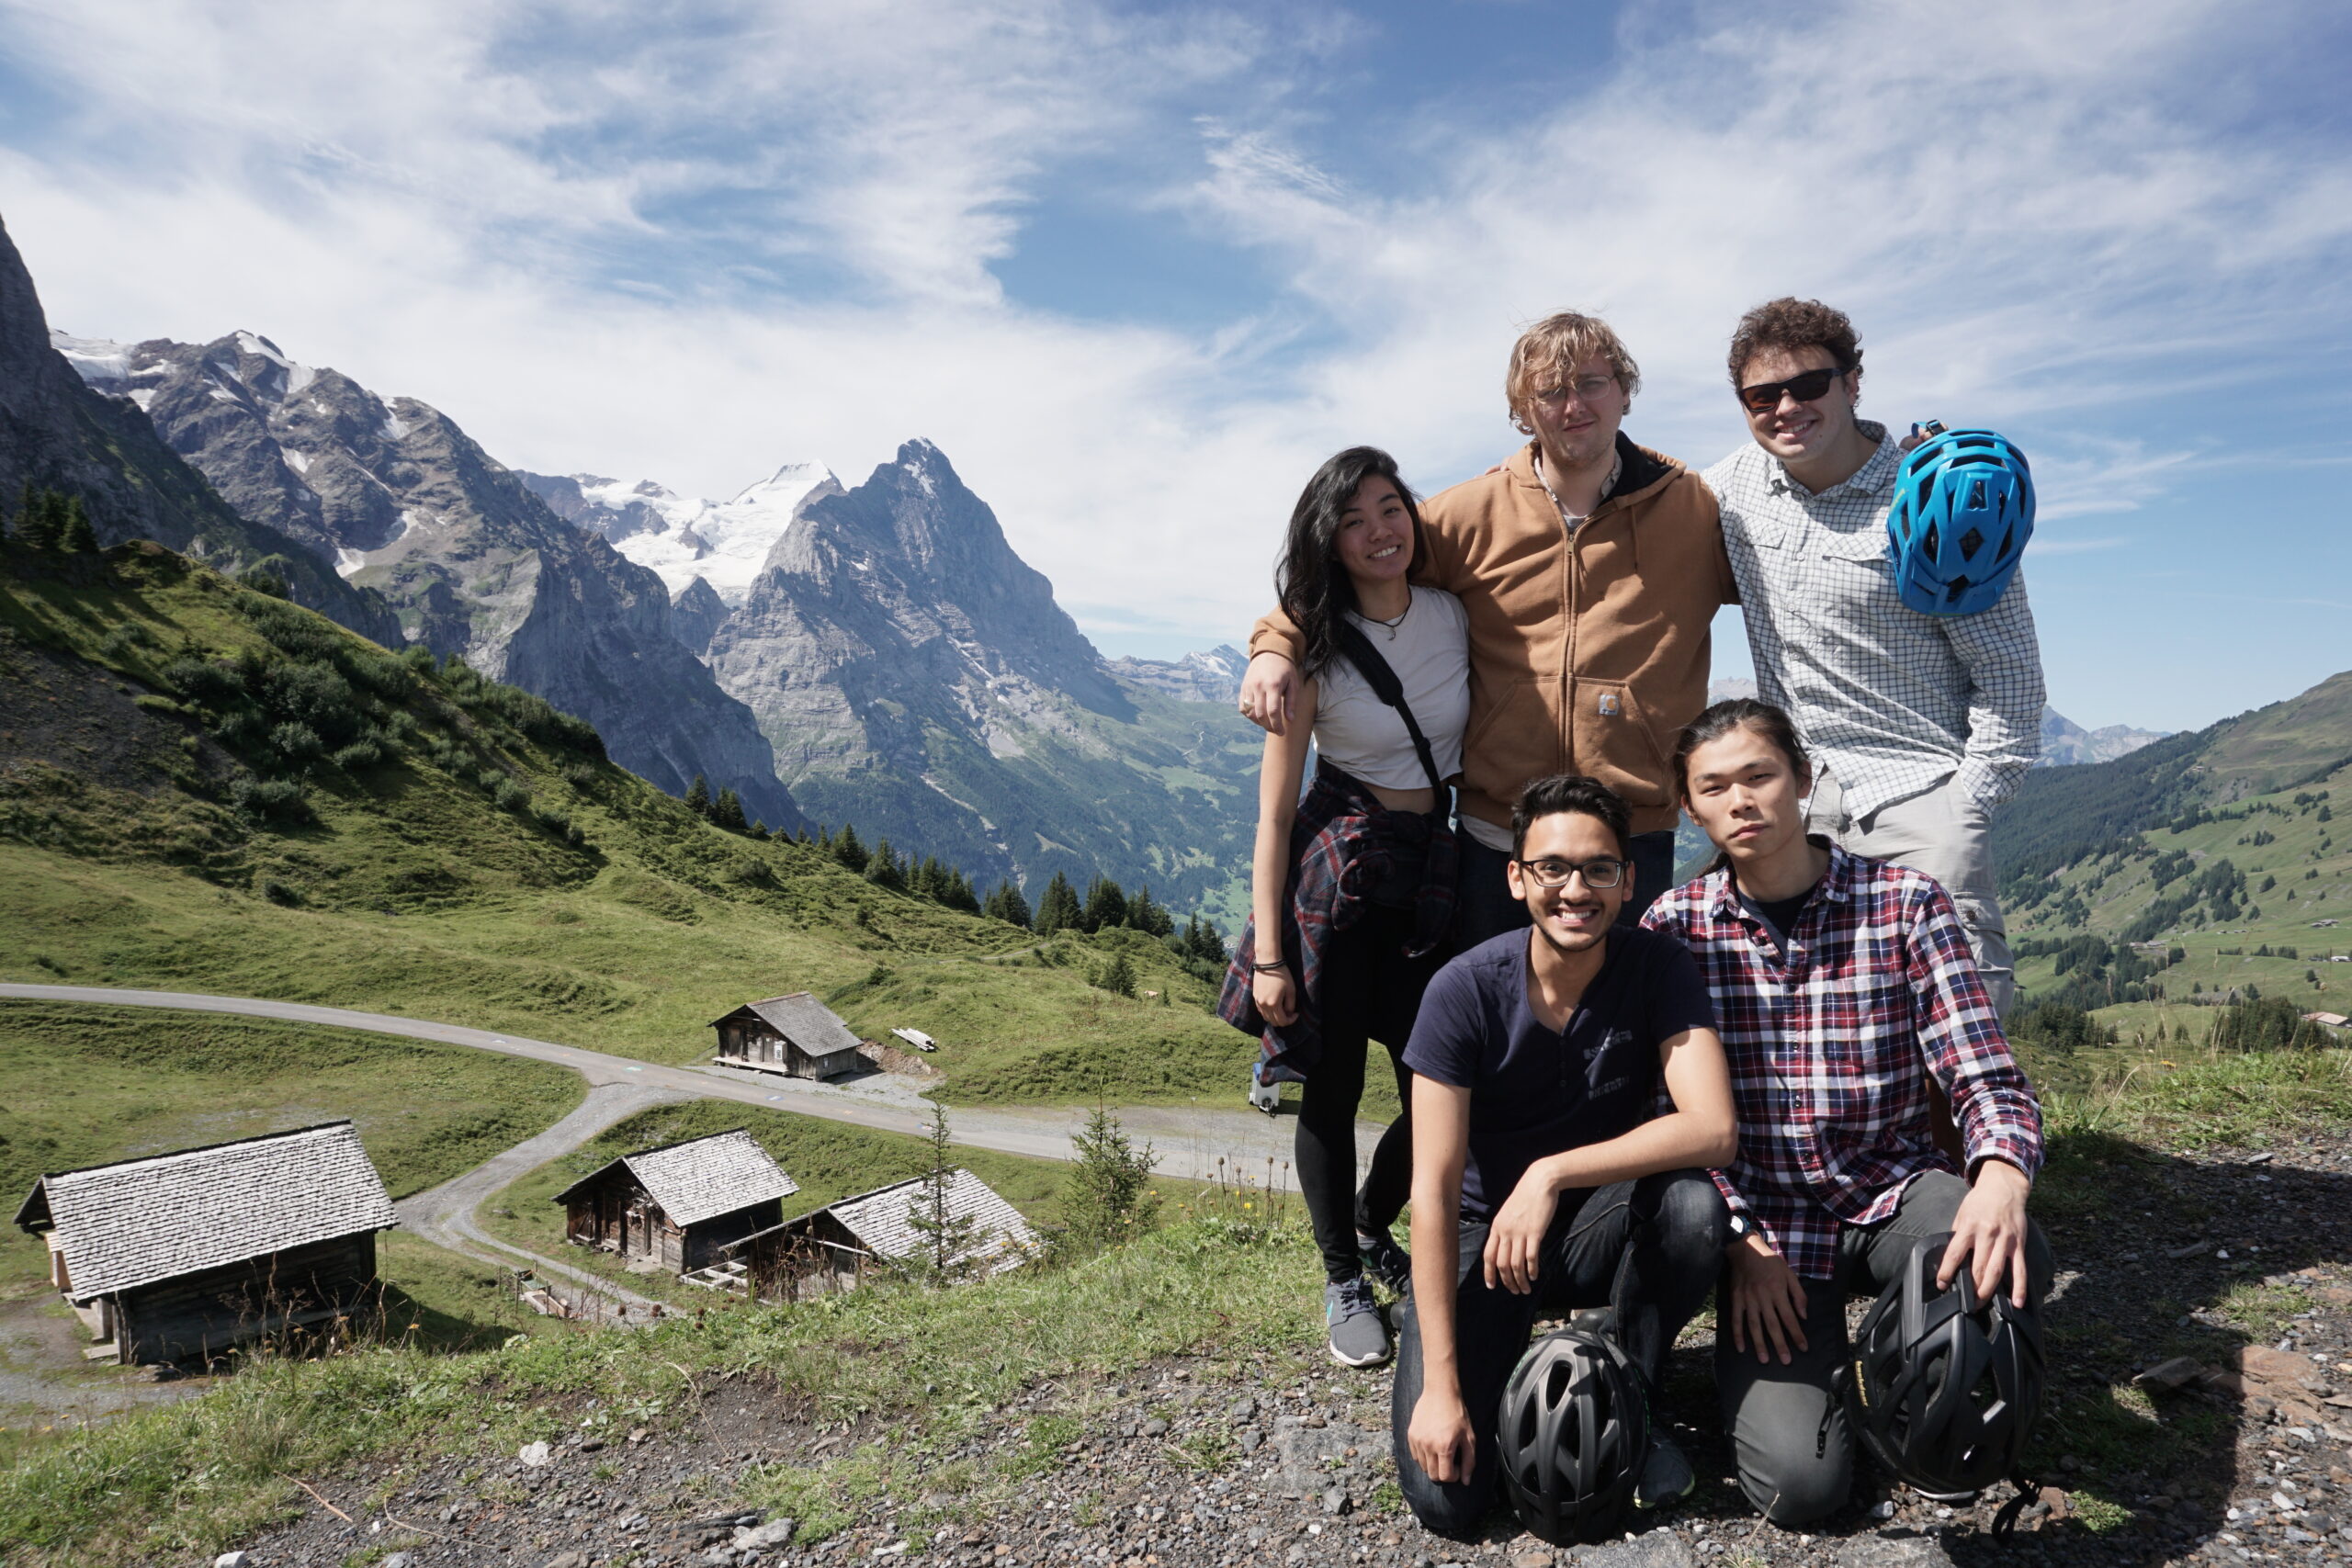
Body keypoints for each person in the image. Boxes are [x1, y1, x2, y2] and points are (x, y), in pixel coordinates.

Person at [1642, 698, 2052, 1525]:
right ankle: (1854, 1369)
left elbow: (1985, 1074)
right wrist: (1738, 1238)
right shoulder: (1673, 929)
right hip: (1765, 1233)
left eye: (1759, 774)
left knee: (2008, 1247)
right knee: (1803, 1488)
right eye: (1714, 786)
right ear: (1690, 808)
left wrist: (2002, 1174)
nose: (1741, 800)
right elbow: (1664, 1118)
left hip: (1891, 1192)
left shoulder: (1905, 904)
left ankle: (1936, 1395)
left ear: (1802, 777)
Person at [1238, 312, 1736, 944]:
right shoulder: (1470, 514)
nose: (1573, 404)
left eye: (1590, 382)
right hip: (1498, 836)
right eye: (1550, 392)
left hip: (1632, 832)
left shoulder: (1692, 508)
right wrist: (1277, 642)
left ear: (1625, 390)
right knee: (1499, 1032)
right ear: (1523, 411)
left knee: (1625, 1032)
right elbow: (1359, 560)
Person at [1393, 773, 1736, 1536]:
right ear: (1516, 878)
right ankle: (1481, 1345)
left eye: (1598, 869)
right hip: (1482, 1238)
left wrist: (1551, 1173)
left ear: (1627, 882)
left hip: (1592, 1222)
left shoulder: (1657, 968)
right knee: (1448, 1501)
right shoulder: (1463, 992)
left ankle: (1631, 1384)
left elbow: (1714, 1127)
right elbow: (1435, 1190)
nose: (1575, 889)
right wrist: (1443, 1384)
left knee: (1691, 1205)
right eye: (1552, 867)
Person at [1703, 299, 2043, 1012]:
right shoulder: (1731, 489)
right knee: (1830, 1023)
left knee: (1957, 1021)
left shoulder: (1938, 497)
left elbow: (2010, 679)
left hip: (1919, 795)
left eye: (1810, 385)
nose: (1787, 407)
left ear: (1854, 382)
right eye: (1762, 395)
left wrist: (1964, 810)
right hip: (1800, 805)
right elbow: (1636, 499)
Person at [1216, 447, 1467, 1369]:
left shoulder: (1453, 613)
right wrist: (1272, 956)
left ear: (1413, 513)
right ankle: (1341, 1279)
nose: (1378, 532)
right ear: (1329, 540)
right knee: (1330, 1088)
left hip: (1432, 869)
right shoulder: (1311, 648)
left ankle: (1371, 1224)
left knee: (1437, 1079)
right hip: (1340, 872)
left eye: (1390, 508)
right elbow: (1273, 817)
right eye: (1354, 520)